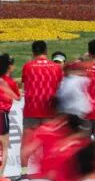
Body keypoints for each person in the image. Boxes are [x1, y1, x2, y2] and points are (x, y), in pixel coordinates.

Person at [20, 40, 64, 173]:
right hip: (50, 111)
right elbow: (60, 87)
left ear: (33, 52)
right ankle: (48, 171)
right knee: (49, 142)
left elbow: (25, 84)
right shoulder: (56, 67)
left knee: (26, 143)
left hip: (31, 110)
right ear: (46, 51)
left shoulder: (27, 66)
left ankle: (24, 173)